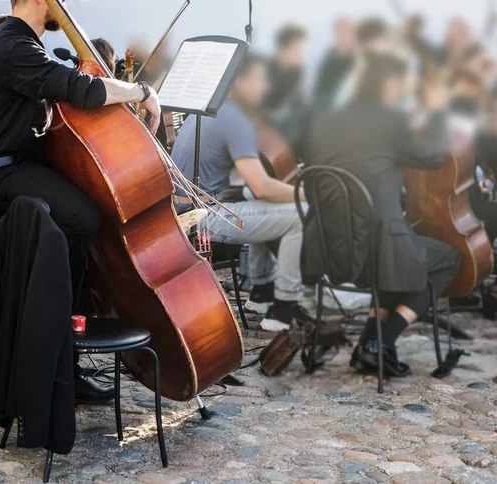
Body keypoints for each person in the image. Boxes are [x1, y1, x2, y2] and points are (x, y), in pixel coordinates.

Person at [0, 0, 161, 403]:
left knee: (86, 207)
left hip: (16, 164)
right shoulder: (13, 45)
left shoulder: (19, 43)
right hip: (0, 172)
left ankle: (64, 348)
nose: (65, 6)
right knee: (83, 218)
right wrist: (143, 90)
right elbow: (81, 91)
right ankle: (56, 357)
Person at [306, 53, 461, 376]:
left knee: (402, 258)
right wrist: (436, 111)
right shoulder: (389, 121)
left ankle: (369, 346)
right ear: (388, 84)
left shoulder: (323, 120)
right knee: (446, 259)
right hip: (376, 252)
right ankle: (379, 342)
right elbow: (433, 156)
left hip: (330, 250)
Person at [172, 54, 312, 331]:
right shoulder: (236, 119)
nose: (265, 87)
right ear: (238, 82)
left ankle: (261, 293)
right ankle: (284, 309)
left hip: (183, 211)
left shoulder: (211, 108)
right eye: (260, 80)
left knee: (255, 198)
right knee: (300, 212)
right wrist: (308, 194)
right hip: (202, 219)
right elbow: (264, 185)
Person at [263, 25, 309, 153]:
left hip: (284, 129)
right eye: (298, 50)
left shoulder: (297, 71)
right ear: (282, 50)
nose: (303, 55)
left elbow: (299, 106)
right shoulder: (264, 72)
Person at [313, 17, 356, 110]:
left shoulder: (359, 58)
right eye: (340, 31)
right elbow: (319, 86)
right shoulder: (329, 55)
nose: (343, 35)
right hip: (324, 104)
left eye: (347, 31)